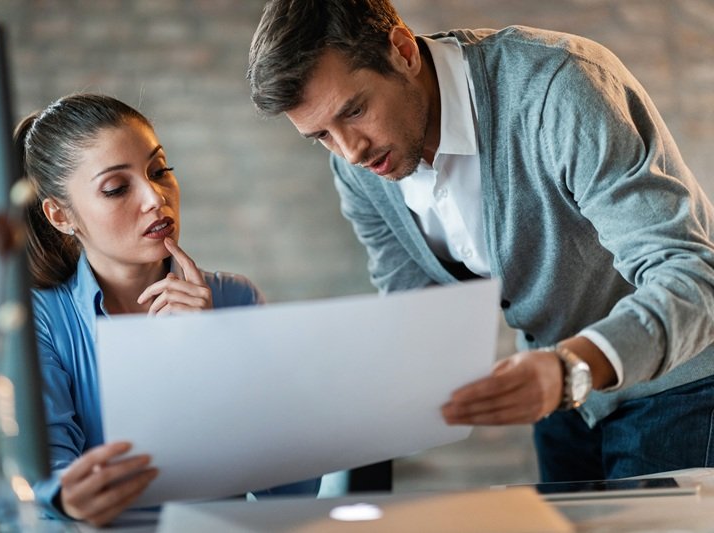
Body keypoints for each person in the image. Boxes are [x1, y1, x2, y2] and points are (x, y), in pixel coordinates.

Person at [247, 0, 714, 483]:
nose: (350, 150)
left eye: (355, 110)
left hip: (675, 384)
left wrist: (568, 369)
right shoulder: (361, 170)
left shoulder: (559, 87)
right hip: (562, 399)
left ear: (403, 51)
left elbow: (693, 277)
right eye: (320, 135)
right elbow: (419, 314)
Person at [14, 93, 320, 526]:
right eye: (117, 188)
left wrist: (214, 351)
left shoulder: (235, 299)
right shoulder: (42, 319)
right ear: (61, 216)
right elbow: (48, 484)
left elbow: (294, 490)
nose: (155, 197)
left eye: (159, 171)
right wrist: (68, 498)